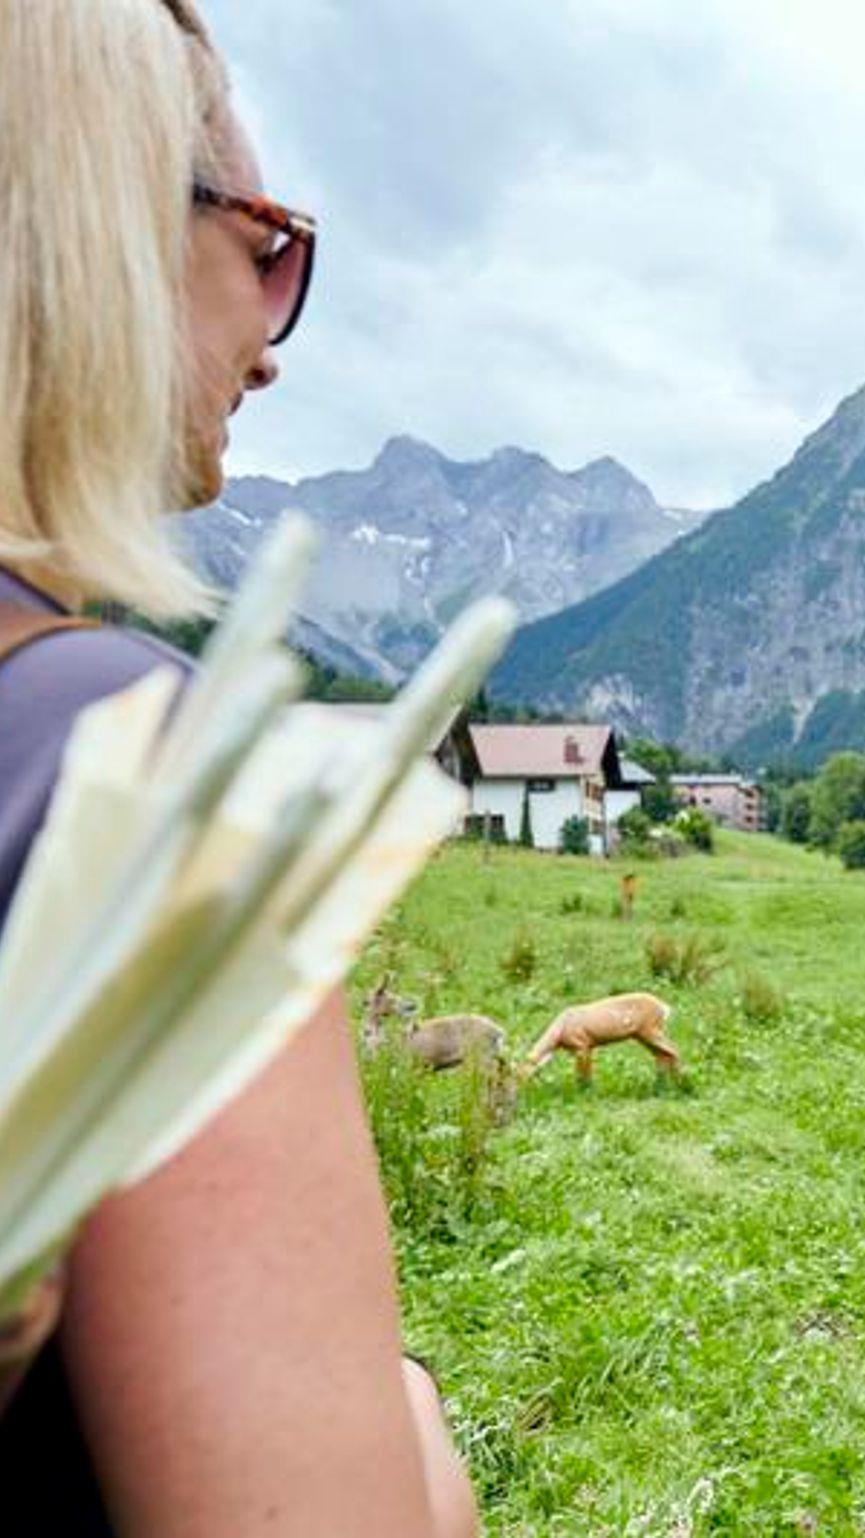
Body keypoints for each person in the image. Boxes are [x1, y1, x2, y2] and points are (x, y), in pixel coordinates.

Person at [0, 3, 476, 1532]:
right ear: (101, 226)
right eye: (272, 248)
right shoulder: (141, 777)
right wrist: (414, 1430)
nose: (272, 345)